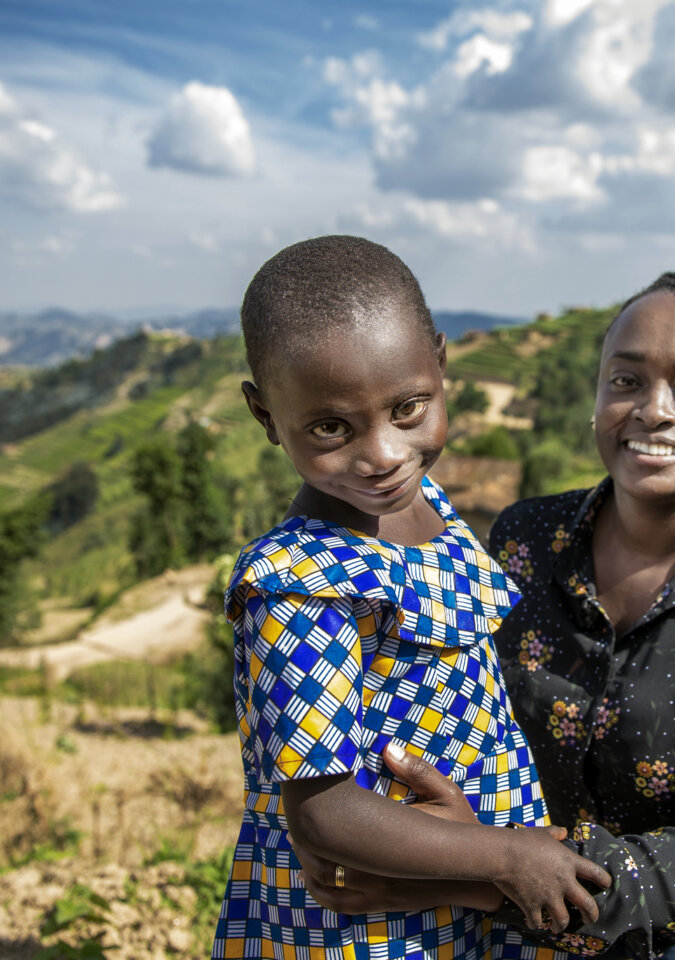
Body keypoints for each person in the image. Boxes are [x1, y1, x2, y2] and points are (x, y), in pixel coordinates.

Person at [304, 272, 675, 960]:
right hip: (527, 894)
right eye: (626, 381)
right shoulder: (526, 542)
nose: (652, 411)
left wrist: (488, 877)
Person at [212, 235, 610, 960]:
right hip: (375, 921)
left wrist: (495, 864)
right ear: (266, 415)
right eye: (332, 427)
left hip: (465, 888)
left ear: (441, 365)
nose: (383, 455)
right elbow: (325, 815)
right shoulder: (300, 584)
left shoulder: (423, 502)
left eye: (408, 409)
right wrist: (505, 861)